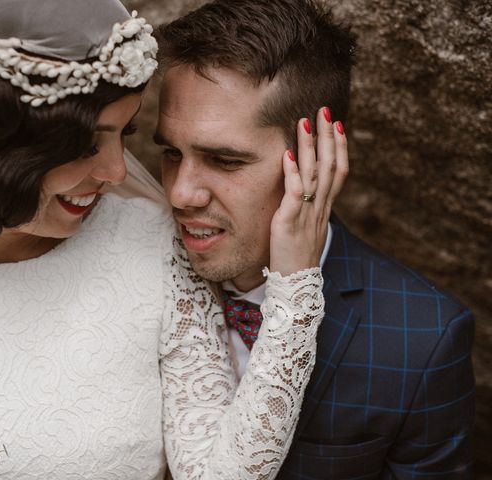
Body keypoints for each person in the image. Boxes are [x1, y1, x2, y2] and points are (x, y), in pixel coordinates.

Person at [0, 0, 345, 478]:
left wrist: (294, 290)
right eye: (87, 144)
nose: (114, 171)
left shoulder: (151, 245)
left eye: (124, 135)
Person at [154, 0, 476, 478]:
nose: (180, 193)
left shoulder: (424, 340)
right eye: (170, 153)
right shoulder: (129, 271)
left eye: (225, 161)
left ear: (317, 160)